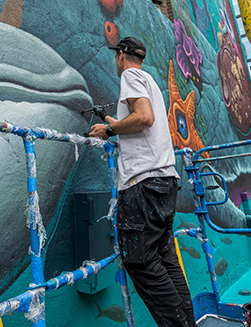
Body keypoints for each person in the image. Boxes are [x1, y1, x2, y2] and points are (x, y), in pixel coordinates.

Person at [90, 37, 196, 327]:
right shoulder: (150, 81)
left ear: (122, 55)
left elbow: (144, 118)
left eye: (116, 57)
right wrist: (108, 122)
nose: (116, 62)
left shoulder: (130, 75)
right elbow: (139, 124)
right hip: (164, 181)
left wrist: (110, 130)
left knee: (141, 262)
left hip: (143, 184)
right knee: (165, 259)